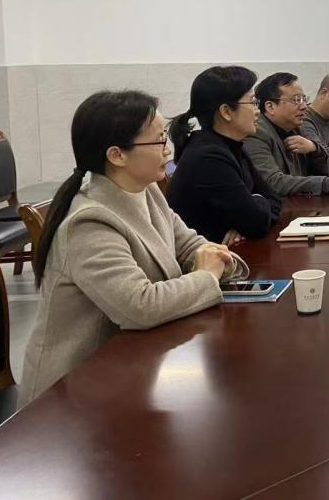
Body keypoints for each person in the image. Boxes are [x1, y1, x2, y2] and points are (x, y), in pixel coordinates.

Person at [20, 90, 239, 404]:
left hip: (131, 368)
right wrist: (206, 275)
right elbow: (140, 307)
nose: (168, 149)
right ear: (117, 155)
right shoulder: (89, 222)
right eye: (158, 140)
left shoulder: (146, 190)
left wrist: (217, 261)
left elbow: (191, 245)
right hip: (73, 394)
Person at [167, 66, 282, 244]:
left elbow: (274, 198)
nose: (257, 110)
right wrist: (256, 204)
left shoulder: (231, 145)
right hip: (201, 256)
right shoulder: (208, 157)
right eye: (252, 102)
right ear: (226, 111)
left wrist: (253, 208)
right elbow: (256, 223)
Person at [242, 72, 329, 198]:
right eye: (296, 100)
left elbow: (323, 171)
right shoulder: (256, 133)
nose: (304, 106)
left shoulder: (298, 127)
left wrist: (315, 149)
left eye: (304, 99)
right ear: (270, 106)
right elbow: (272, 182)